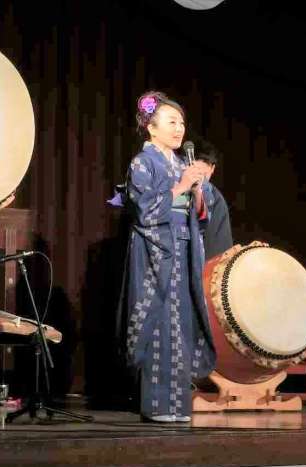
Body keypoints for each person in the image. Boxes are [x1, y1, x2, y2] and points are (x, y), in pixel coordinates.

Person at [119, 90, 216, 423]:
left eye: (182, 123)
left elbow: (202, 213)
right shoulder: (142, 163)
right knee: (159, 324)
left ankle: (178, 405)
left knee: (183, 324)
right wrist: (181, 186)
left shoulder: (183, 164)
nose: (179, 129)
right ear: (151, 127)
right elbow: (144, 209)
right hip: (156, 250)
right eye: (172, 122)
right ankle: (157, 405)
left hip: (184, 248)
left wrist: (198, 192)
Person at [193, 139, 233, 260]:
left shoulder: (216, 199)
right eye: (196, 159)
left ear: (212, 168)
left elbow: (220, 245)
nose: (200, 166)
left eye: (206, 162)